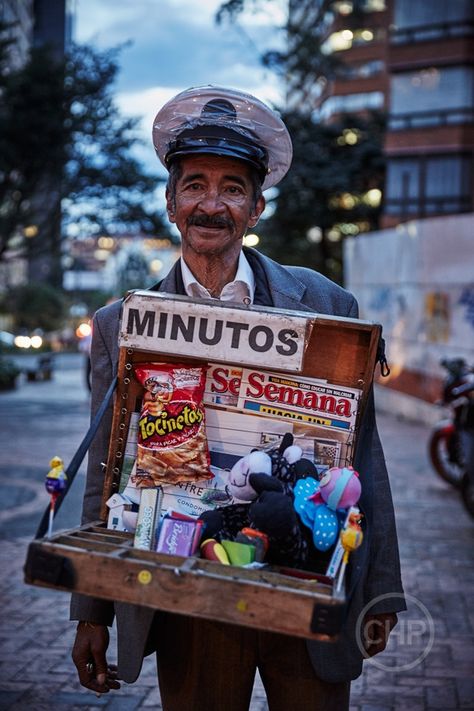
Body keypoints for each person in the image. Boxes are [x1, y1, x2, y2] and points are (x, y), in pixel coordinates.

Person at [70, 86, 405, 711]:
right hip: (185, 588)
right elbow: (105, 465)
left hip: (306, 585)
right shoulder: (124, 323)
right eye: (194, 185)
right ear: (171, 203)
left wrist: (378, 592)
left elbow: (365, 459)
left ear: (255, 207)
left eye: (232, 188)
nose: (211, 204)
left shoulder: (327, 306)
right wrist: (91, 610)